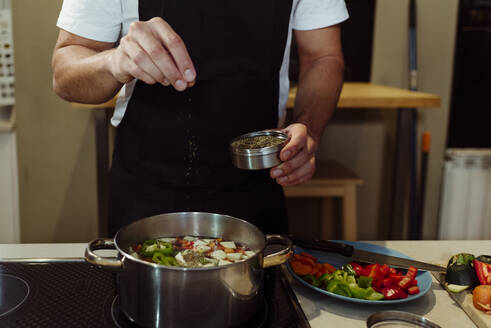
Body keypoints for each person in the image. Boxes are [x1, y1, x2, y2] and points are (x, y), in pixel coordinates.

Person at [52, 0, 348, 236]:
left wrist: (308, 126)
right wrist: (115, 62)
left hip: (255, 183)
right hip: (146, 189)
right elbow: (65, 75)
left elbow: (322, 57)